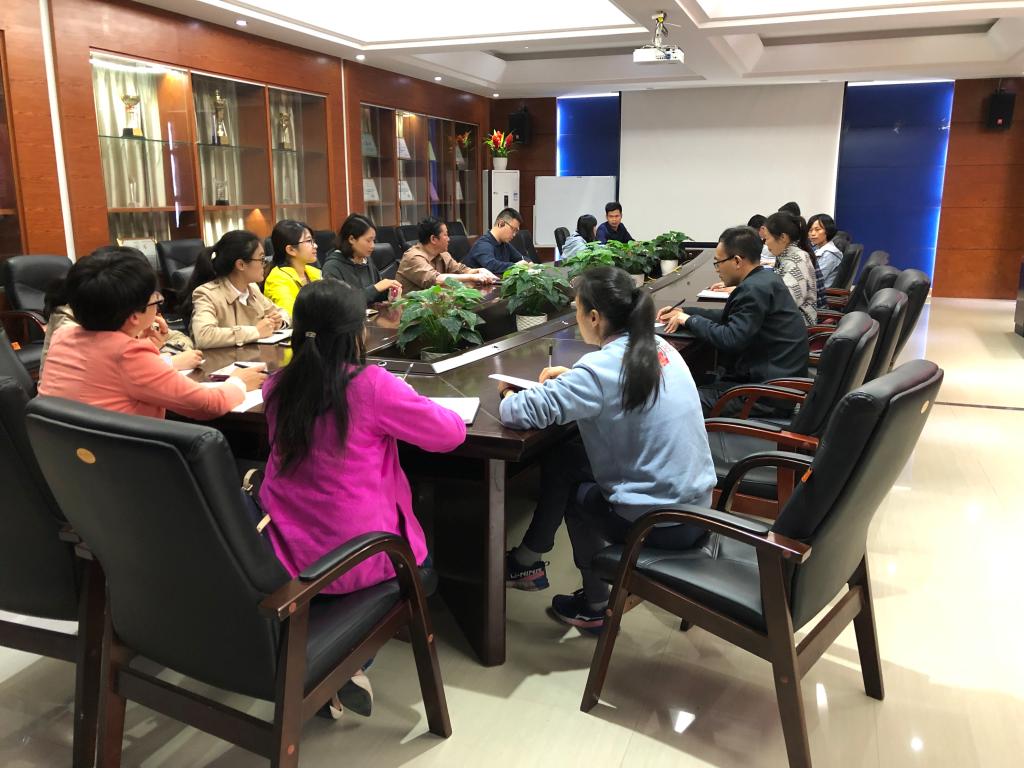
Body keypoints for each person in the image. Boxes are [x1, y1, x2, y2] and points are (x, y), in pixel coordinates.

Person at [259, 279, 467, 715]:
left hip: (287, 551)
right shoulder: (371, 385)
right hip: (359, 555)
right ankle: (345, 665)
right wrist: (404, 394)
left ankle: (333, 664)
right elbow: (450, 433)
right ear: (357, 335)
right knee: (422, 559)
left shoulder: (276, 385)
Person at [498, 266, 716, 631]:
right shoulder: (659, 346)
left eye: (577, 310)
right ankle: (527, 559)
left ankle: (596, 603)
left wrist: (506, 391)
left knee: (577, 496)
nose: (576, 317)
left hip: (657, 523)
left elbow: (517, 412)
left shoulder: (599, 369)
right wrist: (574, 380)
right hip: (696, 506)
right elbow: (617, 386)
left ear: (595, 317)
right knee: (565, 458)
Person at [39, 248, 264, 419]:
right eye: (156, 301)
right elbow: (207, 404)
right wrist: (239, 383)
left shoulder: (63, 334)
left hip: (64, 457)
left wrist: (143, 346)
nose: (158, 307)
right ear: (134, 316)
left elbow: (107, 374)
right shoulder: (128, 353)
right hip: (125, 459)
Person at [657, 226, 809, 416]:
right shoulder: (765, 278)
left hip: (763, 396)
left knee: (673, 401)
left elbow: (730, 338)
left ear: (737, 261)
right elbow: (731, 318)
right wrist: (685, 312)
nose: (717, 270)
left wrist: (690, 320)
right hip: (773, 383)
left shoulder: (753, 289)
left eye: (718, 263)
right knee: (694, 381)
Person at [186, 230, 288, 349]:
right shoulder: (207, 294)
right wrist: (255, 331)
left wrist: (278, 322)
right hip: (222, 359)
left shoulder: (252, 288)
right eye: (261, 259)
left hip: (253, 356)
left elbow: (282, 313)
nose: (264, 264)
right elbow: (204, 336)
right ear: (241, 265)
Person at [397, 217, 497, 293]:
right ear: (433, 239)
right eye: (445, 235)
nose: (449, 239)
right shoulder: (413, 257)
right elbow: (436, 280)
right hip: (410, 310)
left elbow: (460, 270)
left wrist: (479, 271)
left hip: (436, 306)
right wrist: (472, 277)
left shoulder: (442, 253)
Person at [321, 214, 402, 306]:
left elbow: (374, 295)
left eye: (373, 240)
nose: (373, 246)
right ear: (351, 239)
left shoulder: (366, 260)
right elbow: (341, 303)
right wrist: (376, 288)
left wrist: (389, 292)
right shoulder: (332, 266)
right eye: (368, 240)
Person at [764, 211, 818, 325]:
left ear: (783, 237)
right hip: (788, 319)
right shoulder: (786, 255)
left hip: (797, 324)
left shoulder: (797, 259)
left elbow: (787, 300)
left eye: (767, 238)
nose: (766, 244)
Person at [263, 219, 322, 315]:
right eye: (309, 241)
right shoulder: (277, 279)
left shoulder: (314, 272)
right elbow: (290, 316)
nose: (315, 245)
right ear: (291, 250)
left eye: (313, 241)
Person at [462, 208, 530, 275]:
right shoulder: (483, 244)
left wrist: (529, 263)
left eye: (516, 231)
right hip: (474, 282)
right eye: (513, 229)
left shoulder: (504, 243)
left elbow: (520, 258)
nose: (514, 234)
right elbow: (492, 266)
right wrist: (515, 266)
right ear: (501, 224)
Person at [807, 213, 844, 288]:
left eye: (817, 229)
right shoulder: (818, 248)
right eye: (810, 230)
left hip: (820, 293)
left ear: (828, 230)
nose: (813, 233)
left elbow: (813, 281)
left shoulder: (828, 254)